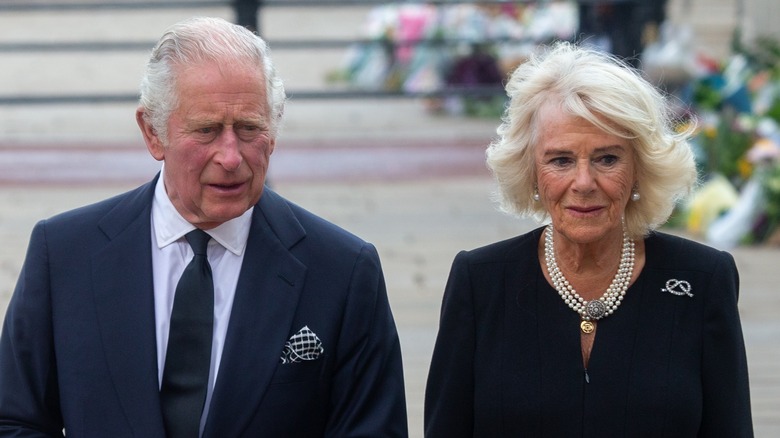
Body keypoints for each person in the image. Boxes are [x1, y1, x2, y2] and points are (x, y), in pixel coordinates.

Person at [0, 17, 407, 437]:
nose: (231, 156)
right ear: (153, 133)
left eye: (249, 128)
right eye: (207, 130)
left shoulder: (343, 271)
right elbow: (14, 421)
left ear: (274, 129)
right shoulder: (64, 254)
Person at [424, 42, 753, 437]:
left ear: (640, 169)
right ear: (530, 171)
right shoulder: (479, 283)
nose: (583, 183)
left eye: (607, 159)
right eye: (561, 160)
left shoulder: (703, 280)